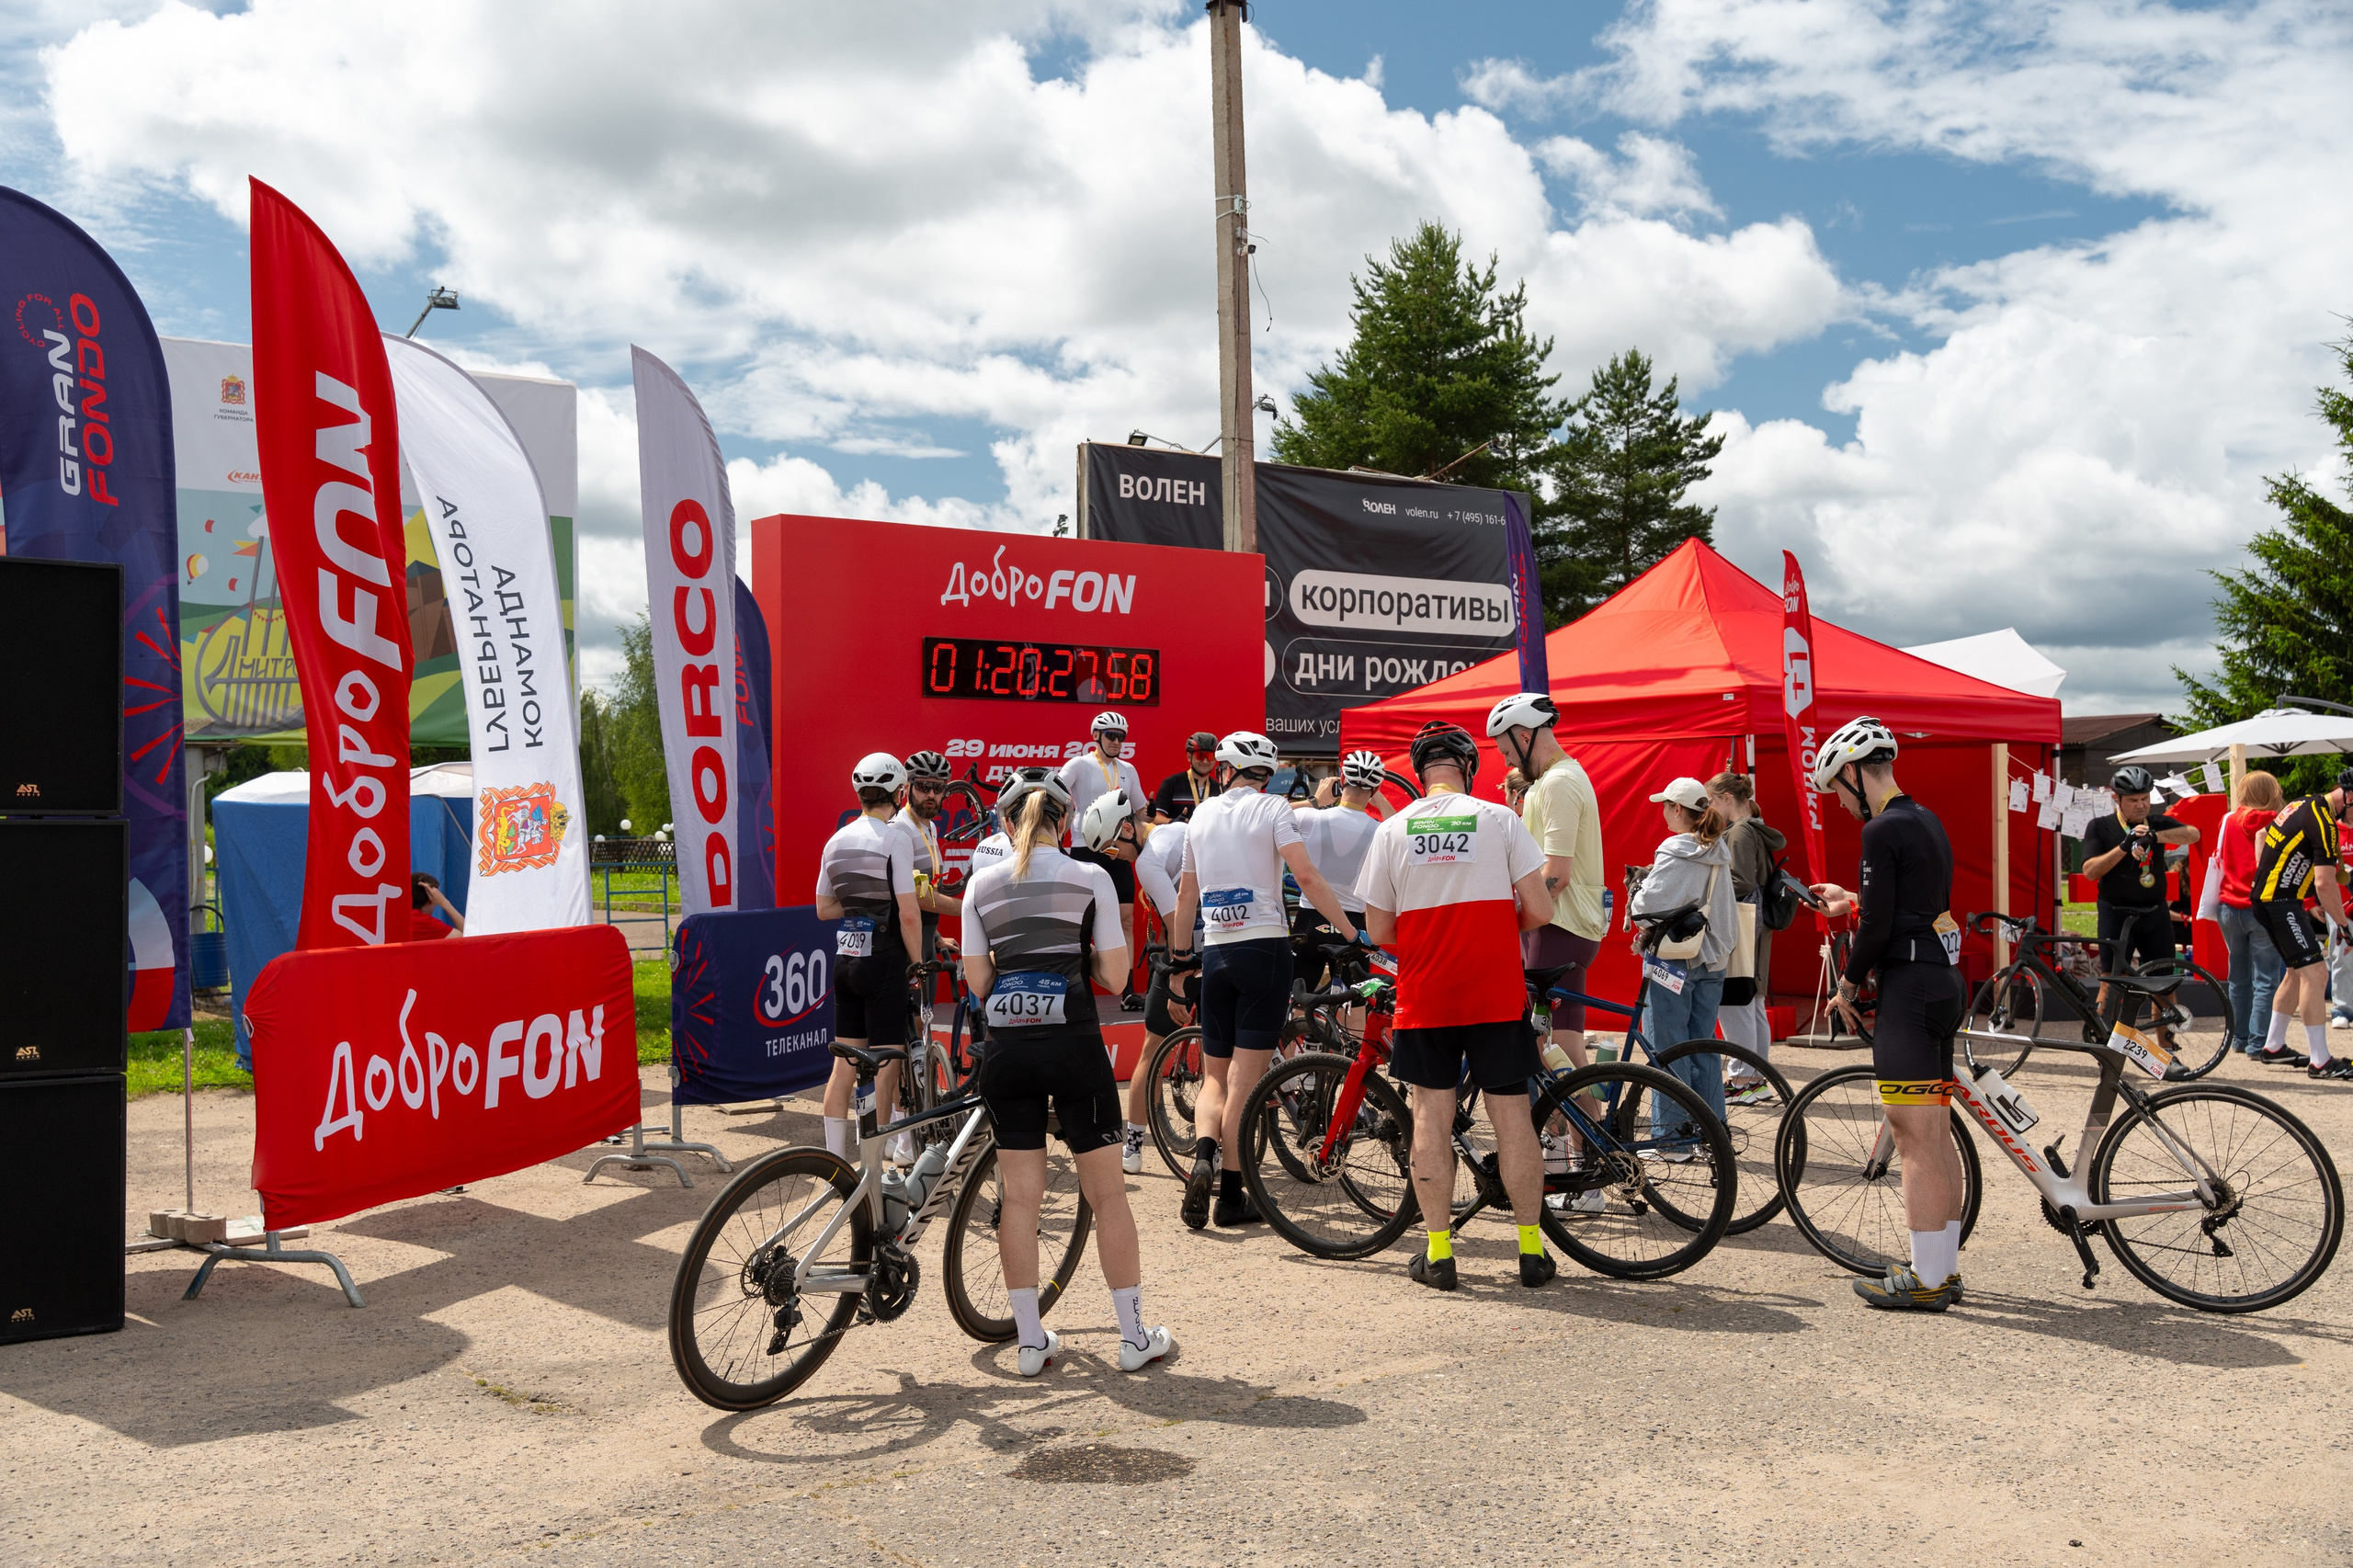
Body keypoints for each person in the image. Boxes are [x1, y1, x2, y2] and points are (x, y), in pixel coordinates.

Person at [959, 769, 1175, 1375]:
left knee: (1020, 1201)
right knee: (1108, 1196)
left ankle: (1030, 1344)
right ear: (1066, 821)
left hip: (1007, 1048)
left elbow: (978, 983)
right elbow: (1114, 975)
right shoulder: (1091, 877)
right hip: (1075, 1046)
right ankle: (1133, 1339)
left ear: (1005, 822)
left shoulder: (981, 884)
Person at [1357, 720, 1558, 1290]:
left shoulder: (1392, 829)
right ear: (1467, 769)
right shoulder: (1500, 818)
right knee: (1512, 1117)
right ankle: (1531, 1251)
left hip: (1428, 994)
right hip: (1495, 991)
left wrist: (1426, 944)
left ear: (1420, 774)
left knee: (1430, 1118)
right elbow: (1540, 910)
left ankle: (1440, 1254)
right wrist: (1496, 930)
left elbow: (1376, 928)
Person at [1168, 730, 1364, 1230]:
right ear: (1264, 775)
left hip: (1216, 951)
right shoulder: (1275, 810)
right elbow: (1309, 879)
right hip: (1264, 948)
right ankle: (1231, 1196)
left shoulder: (1201, 815)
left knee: (1214, 1077)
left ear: (1225, 770)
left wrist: (1180, 959)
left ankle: (1202, 1158)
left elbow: (1185, 897)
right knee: (1244, 1081)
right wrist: (1350, 934)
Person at [1805, 716, 1969, 1312]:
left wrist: (1847, 983)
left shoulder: (1880, 830)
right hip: (1943, 979)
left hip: (1909, 987)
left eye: (1837, 790)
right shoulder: (1924, 818)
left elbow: (1877, 927)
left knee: (1912, 1138)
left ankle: (1927, 1281)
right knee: (1937, 1134)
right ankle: (1940, 1268)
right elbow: (1909, 904)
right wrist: (1853, 898)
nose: (1840, 804)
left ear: (1851, 772)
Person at [1487, 693, 1607, 1082]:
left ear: (1524, 737)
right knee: (1562, 1043)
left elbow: (1557, 873)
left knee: (1547, 1048)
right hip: (1562, 926)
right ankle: (1580, 1140)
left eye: (1506, 750)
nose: (1506, 761)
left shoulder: (1559, 782)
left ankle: (1577, 1139)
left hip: (1558, 926)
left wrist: (1511, 918)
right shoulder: (1555, 780)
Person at [813, 753, 925, 1162]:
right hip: (883, 959)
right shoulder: (895, 836)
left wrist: (860, 907)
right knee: (886, 1061)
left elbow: (824, 909)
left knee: (844, 1063)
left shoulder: (836, 839)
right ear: (899, 793)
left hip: (845, 959)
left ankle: (832, 1161)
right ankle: (877, 1161)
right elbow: (909, 913)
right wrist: (917, 964)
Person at [1627, 778, 1738, 1148]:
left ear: (1677, 809)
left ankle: (1673, 1139)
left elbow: (1645, 909)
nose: (1662, 811)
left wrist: (1638, 889)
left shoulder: (1676, 850)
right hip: (1714, 958)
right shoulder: (1717, 848)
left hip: (1675, 960)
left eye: (1665, 805)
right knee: (1703, 1046)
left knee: (1667, 1047)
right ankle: (1712, 1131)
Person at [2080, 765, 2201, 1042]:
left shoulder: (2155, 822)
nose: (2141, 805)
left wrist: (2154, 836)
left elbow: (2193, 834)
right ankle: (2105, 1046)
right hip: (2116, 913)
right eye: (2133, 800)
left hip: (2154, 913)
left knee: (2164, 984)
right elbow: (2090, 871)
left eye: (2145, 798)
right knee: (2110, 982)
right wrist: (2124, 846)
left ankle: (2166, 1048)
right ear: (2117, 800)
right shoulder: (2099, 826)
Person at [2249, 772, 2353, 1080]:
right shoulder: (2324, 823)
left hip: (2276, 899)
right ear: (2348, 798)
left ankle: (2273, 1046)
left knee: (2297, 973)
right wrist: (2344, 925)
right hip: (2280, 903)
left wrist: (2267, 873)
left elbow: (2261, 836)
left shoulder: (2302, 804)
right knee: (2317, 973)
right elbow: (2325, 882)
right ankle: (2321, 1062)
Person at [1122, 814, 1198, 1173]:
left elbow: (1173, 920)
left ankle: (1133, 1148)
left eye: (1111, 848)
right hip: (1220, 945)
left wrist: (1175, 978)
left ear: (1126, 830)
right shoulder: (1176, 829)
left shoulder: (1146, 862)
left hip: (1186, 956)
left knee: (1150, 1052)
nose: (1113, 857)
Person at [1059, 711, 1148, 1009]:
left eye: (1121, 737)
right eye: (1111, 735)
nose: (1116, 741)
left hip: (1118, 849)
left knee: (1126, 919)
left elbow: (1141, 811)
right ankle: (1075, 987)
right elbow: (1055, 793)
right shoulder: (1080, 764)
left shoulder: (1128, 769)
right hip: (1085, 847)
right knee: (1080, 922)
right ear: (1096, 735)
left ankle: (1128, 991)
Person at [1708, 771, 1786, 1100]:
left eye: (1712, 800)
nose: (1709, 808)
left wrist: (1706, 890)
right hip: (1754, 925)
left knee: (1735, 1001)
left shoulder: (1739, 831)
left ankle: (1742, 1081)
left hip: (1740, 925)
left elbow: (1739, 882)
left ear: (1727, 799)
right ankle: (1754, 1079)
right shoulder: (1754, 828)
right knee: (1751, 1002)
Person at [1290, 749, 1384, 988]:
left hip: (1310, 919)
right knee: (1354, 1007)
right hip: (1353, 924)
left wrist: (1315, 801)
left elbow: (1268, 813)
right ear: (1375, 789)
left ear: (1341, 781)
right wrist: (1379, 799)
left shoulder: (1310, 818)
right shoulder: (1381, 830)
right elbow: (1401, 832)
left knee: (1297, 1004)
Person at [2215, 770, 2286, 1057]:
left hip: (2228, 907)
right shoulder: (2278, 822)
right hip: (2261, 908)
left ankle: (2239, 1039)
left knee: (2238, 978)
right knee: (2266, 979)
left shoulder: (2228, 820)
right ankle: (2258, 1043)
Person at [898, 750, 962, 956]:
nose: (931, 795)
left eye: (938, 788)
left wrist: (935, 937)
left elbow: (928, 888)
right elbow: (914, 895)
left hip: (925, 940)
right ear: (907, 787)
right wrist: (968, 908)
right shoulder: (900, 828)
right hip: (904, 946)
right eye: (923, 786)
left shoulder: (930, 827)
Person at [1152, 732, 1222, 824]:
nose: (1205, 761)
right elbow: (1156, 818)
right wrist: (1173, 822)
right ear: (1189, 756)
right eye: (1200, 756)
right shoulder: (1171, 783)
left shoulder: (1220, 789)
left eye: (1210, 756)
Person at [409, 872, 463, 939]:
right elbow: (470, 936)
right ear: (431, 898)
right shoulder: (425, 924)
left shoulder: (397, 918)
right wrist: (444, 902)